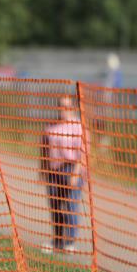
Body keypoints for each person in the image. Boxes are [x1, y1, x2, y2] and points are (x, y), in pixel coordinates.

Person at [40, 96, 85, 252]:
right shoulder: (50, 126)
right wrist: (43, 168)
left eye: (66, 106)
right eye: (60, 106)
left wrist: (76, 174)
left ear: (72, 108)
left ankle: (70, 242)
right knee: (55, 207)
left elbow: (83, 153)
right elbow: (44, 148)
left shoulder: (78, 127)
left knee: (71, 206)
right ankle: (57, 241)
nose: (63, 110)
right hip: (53, 170)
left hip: (71, 168)